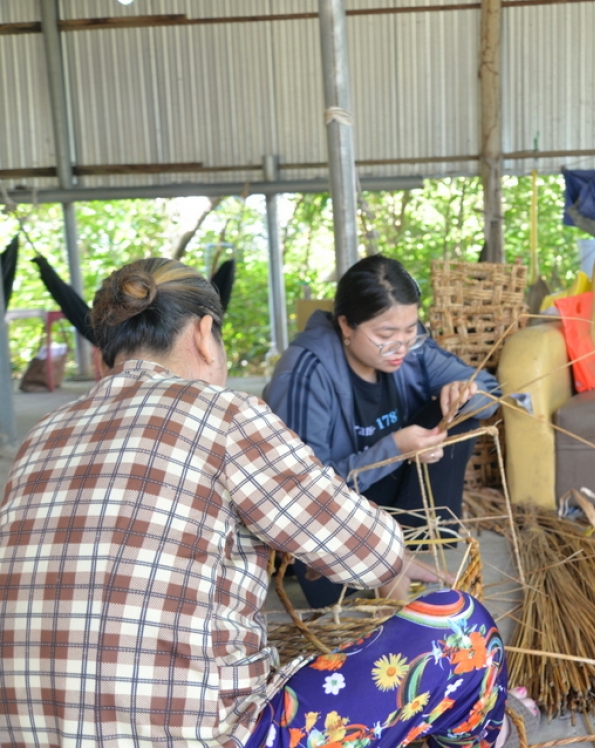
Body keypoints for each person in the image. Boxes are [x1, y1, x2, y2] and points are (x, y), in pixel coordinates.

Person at [0, 258, 511, 748]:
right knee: (461, 628)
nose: (401, 345)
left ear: (102, 354)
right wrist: (394, 555)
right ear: (204, 334)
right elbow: (373, 551)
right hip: (208, 737)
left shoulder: (40, 437)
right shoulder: (226, 413)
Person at [265, 255, 501, 607]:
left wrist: (467, 394)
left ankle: (410, 551)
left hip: (388, 503)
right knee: (318, 530)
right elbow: (302, 494)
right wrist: (395, 448)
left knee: (458, 411)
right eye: (385, 334)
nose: (400, 347)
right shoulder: (305, 375)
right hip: (332, 525)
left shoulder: (412, 349)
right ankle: (393, 563)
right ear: (346, 325)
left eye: (409, 330)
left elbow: (491, 393)